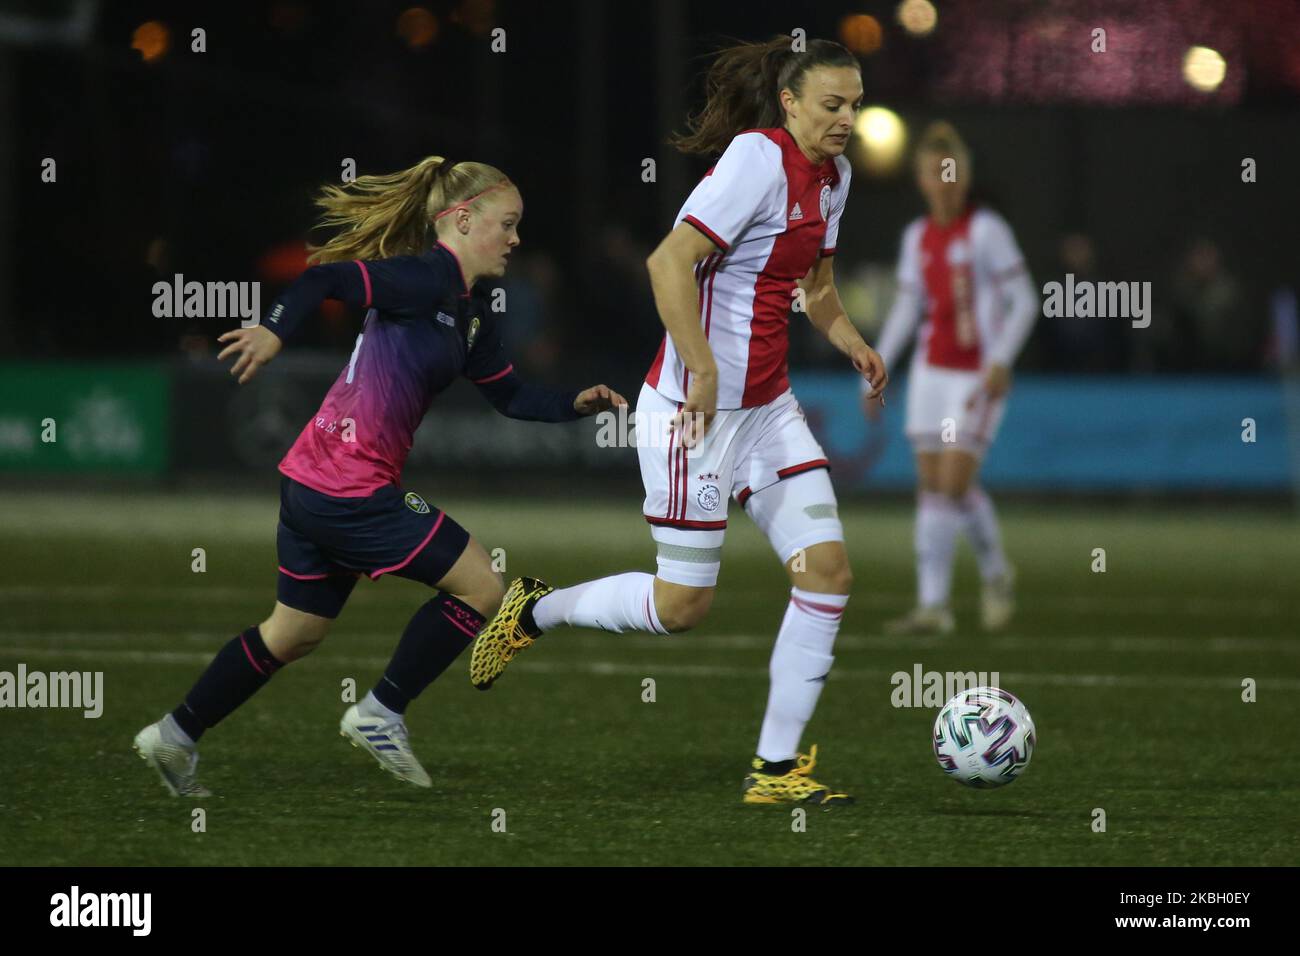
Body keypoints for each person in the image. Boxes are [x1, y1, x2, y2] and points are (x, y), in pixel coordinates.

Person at [469, 37, 887, 806]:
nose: (846, 119)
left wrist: (853, 340)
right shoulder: (756, 161)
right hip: (692, 414)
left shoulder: (838, 178)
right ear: (790, 103)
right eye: (832, 104)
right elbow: (667, 262)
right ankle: (537, 608)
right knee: (681, 608)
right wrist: (700, 368)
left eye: (855, 105)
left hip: (767, 412)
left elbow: (816, 285)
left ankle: (773, 772)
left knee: (827, 574)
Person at [132, 157, 625, 796]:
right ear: (463, 219)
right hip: (348, 488)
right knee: (483, 587)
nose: (516, 238)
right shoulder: (423, 278)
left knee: (293, 632)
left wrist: (573, 405)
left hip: (314, 481)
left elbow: (509, 397)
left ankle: (173, 736)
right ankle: (381, 713)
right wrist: (276, 331)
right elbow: (326, 279)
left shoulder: (470, 310)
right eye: (507, 223)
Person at [865, 122, 1037, 635]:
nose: (944, 182)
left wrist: (1002, 359)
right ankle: (934, 606)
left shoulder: (986, 230)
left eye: (952, 172)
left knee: (954, 483)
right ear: (921, 180)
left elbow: (1025, 299)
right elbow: (907, 308)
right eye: (934, 173)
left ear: (964, 178)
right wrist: (877, 364)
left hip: (976, 377)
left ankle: (995, 573)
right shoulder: (917, 237)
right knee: (932, 488)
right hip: (931, 375)